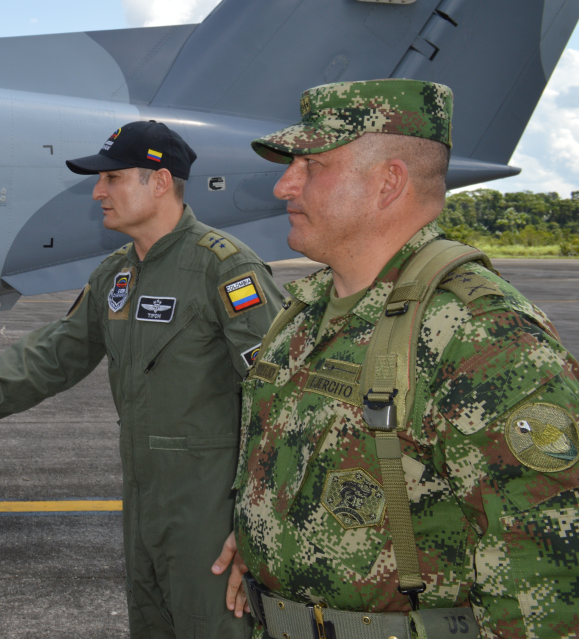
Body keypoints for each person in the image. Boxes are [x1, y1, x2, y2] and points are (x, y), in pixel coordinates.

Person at [212, 79, 579, 638]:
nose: (284, 186)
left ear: (389, 183)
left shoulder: (486, 339)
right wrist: (263, 536)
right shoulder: (305, 311)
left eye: (310, 167)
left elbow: (547, 566)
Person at [0, 120, 284, 639]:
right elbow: (55, 353)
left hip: (211, 513)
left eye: (111, 178)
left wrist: (259, 521)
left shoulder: (223, 269)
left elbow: (283, 395)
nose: (97, 192)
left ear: (158, 182)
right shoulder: (116, 274)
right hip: (142, 504)